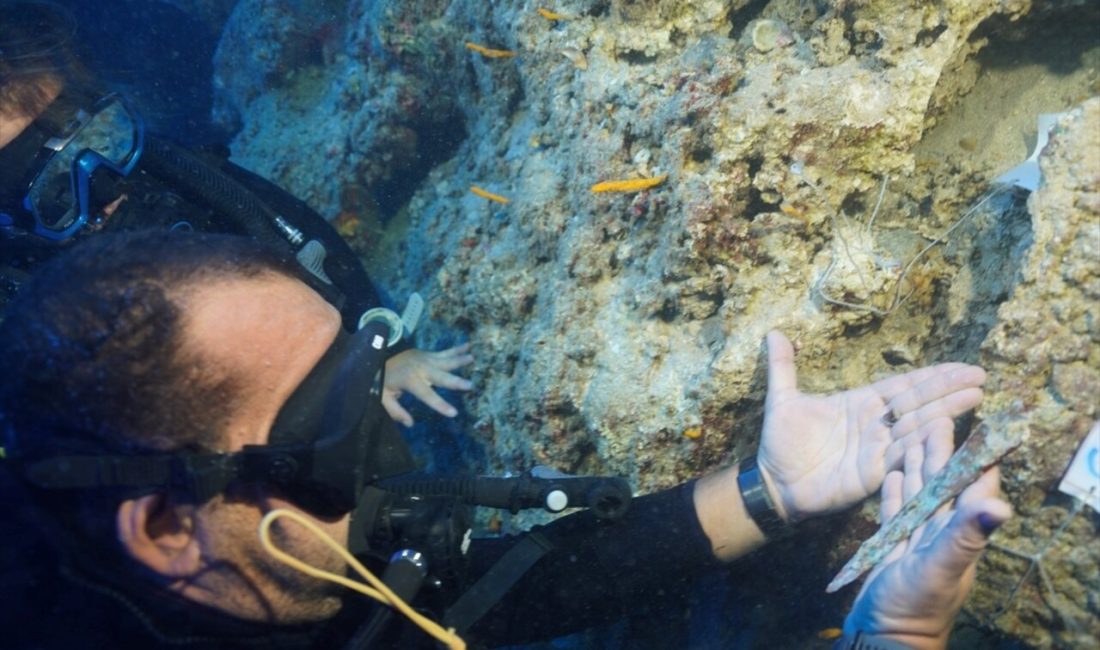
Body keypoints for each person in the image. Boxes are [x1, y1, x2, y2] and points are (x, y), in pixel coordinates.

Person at [0, 228, 1011, 649]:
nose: (385, 443)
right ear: (171, 526)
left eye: (369, 372)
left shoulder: (276, 555)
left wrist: (767, 489)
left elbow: (501, 594)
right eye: (328, 426)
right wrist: (896, 640)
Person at [0, 1, 471, 429]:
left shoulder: (172, 175)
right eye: (35, 176)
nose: (102, 182)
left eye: (97, 134)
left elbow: (295, 233)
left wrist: (383, 348)